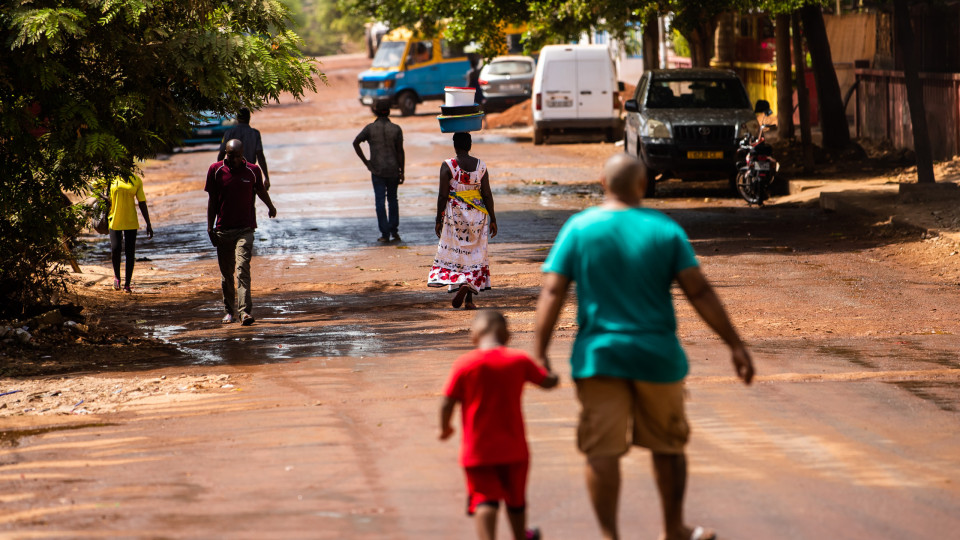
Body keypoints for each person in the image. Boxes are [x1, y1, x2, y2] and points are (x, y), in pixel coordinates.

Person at [533, 154, 755, 540]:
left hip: (599, 357)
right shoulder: (664, 229)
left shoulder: (579, 228)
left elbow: (553, 289)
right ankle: (673, 530)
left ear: (603, 182)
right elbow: (698, 291)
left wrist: (538, 352)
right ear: (643, 185)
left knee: (601, 449)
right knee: (668, 446)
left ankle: (609, 536)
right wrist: (735, 345)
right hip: (657, 357)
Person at [440, 310, 558, 540]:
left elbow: (447, 402)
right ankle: (520, 536)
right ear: (507, 336)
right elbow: (547, 382)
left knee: (484, 498)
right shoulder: (519, 360)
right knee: (516, 500)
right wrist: (547, 365)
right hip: (514, 449)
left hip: (478, 450)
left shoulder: (465, 364)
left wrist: (444, 428)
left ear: (474, 336)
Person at [205, 139, 277, 326]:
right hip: (222, 230)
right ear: (225, 153)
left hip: (245, 229)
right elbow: (212, 201)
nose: (234, 160)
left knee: (242, 270)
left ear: (243, 154)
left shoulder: (253, 170)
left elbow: (260, 190)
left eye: (237, 156)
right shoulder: (215, 170)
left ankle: (244, 312)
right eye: (230, 155)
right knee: (227, 274)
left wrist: (270, 206)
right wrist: (209, 227)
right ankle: (229, 311)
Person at [428, 132, 497, 309]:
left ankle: (462, 283)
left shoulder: (448, 166)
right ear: (470, 145)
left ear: (455, 145)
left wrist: (438, 218)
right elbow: (487, 194)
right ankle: (469, 298)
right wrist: (493, 218)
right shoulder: (481, 166)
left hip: (455, 215)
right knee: (474, 253)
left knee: (458, 253)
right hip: (478, 216)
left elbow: (443, 195)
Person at [353, 97, 405, 243]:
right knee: (393, 200)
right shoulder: (396, 129)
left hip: (377, 170)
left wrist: (366, 163)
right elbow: (400, 151)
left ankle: (385, 233)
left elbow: (355, 143)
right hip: (394, 169)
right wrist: (402, 171)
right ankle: (394, 231)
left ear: (375, 111)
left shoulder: (370, 129)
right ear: (389, 111)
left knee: (380, 201)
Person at [105, 174, 154, 293]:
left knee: (130, 252)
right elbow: (93, 185)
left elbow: (142, 202)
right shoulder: (112, 179)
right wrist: (104, 197)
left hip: (131, 221)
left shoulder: (136, 180)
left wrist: (148, 223)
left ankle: (127, 283)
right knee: (116, 249)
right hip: (114, 220)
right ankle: (117, 278)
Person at [217, 107, 271, 190]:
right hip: (249, 173)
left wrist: (218, 173)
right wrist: (266, 177)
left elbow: (221, 154)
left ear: (237, 118)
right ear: (249, 118)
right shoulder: (255, 133)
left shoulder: (229, 133)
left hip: (231, 174)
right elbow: (260, 156)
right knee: (249, 200)